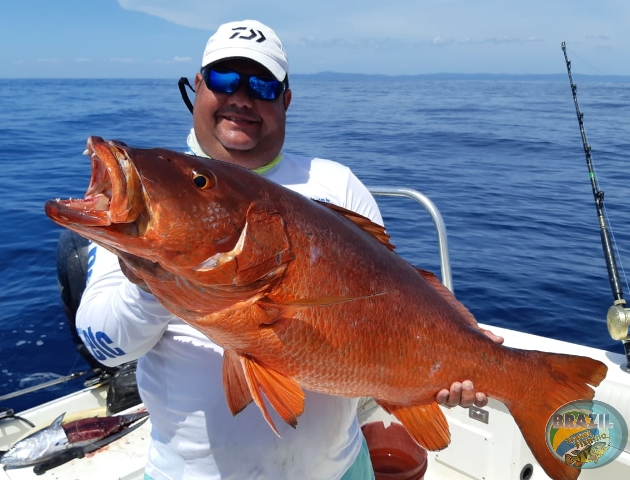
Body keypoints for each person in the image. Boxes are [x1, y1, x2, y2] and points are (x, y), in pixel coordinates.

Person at [76, 19, 502, 480]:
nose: (241, 97)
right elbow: (107, 346)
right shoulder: (148, 208)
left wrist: (461, 355)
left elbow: (398, 302)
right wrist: (152, 275)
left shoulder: (337, 185)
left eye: (261, 84)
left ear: (286, 100)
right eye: (223, 78)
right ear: (197, 87)